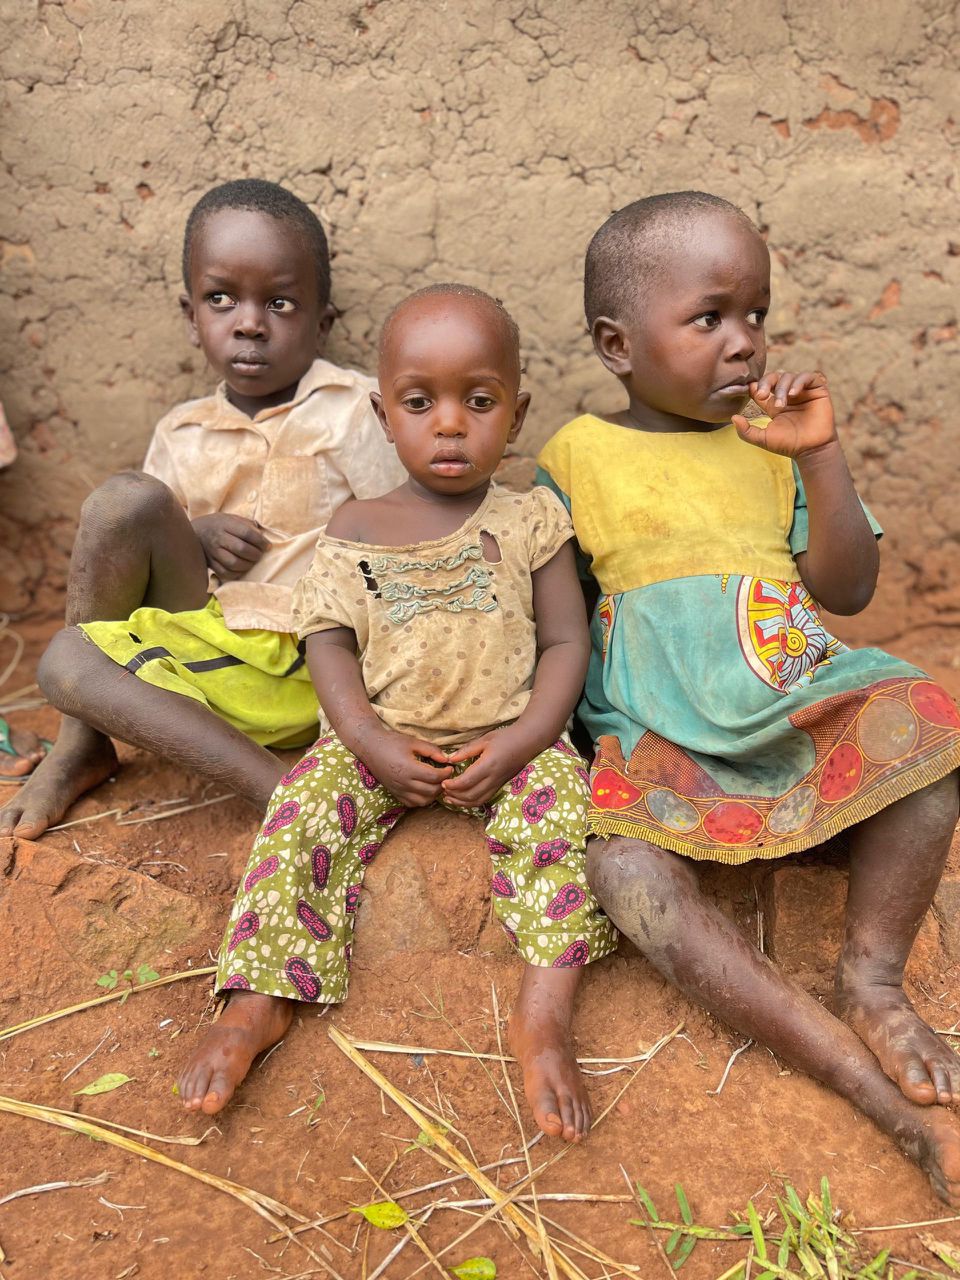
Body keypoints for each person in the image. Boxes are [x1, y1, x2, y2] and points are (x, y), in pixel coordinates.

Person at [537, 191, 960, 1203]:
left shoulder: (771, 443)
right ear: (616, 343)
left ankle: (873, 981)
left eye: (757, 314)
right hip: (665, 742)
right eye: (710, 317)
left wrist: (820, 453)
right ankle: (860, 1083)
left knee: (925, 723)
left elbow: (848, 589)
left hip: (796, 710)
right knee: (626, 871)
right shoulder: (574, 460)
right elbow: (555, 625)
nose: (745, 341)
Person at [177, 284, 618, 1142]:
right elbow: (329, 644)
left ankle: (544, 1015)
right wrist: (370, 741)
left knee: (569, 815)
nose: (449, 425)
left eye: (479, 402)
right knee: (300, 809)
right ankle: (257, 1000)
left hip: (511, 739)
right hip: (380, 739)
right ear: (384, 416)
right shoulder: (357, 526)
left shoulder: (532, 520)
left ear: (518, 412)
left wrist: (525, 740)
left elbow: (567, 643)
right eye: (420, 404)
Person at [0, 179, 404, 838]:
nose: (249, 323)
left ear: (322, 323)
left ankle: (282, 798)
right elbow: (144, 566)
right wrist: (195, 534)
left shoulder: (355, 409)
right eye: (221, 299)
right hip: (208, 662)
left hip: (314, 664)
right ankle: (83, 744)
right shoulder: (181, 431)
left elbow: (404, 535)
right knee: (78, 625)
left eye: (279, 302)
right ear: (191, 318)